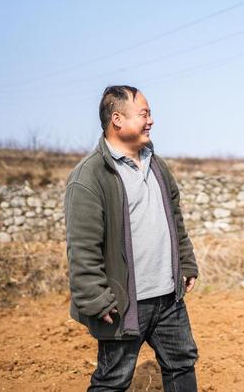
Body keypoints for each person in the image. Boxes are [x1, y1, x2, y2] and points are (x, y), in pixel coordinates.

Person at [64, 85, 200, 391]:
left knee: (181, 364)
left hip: (168, 296)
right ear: (117, 119)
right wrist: (97, 299)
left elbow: (174, 220)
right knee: (112, 381)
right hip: (124, 303)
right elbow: (82, 249)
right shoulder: (89, 177)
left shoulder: (157, 164)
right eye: (144, 114)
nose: (151, 120)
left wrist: (186, 261)